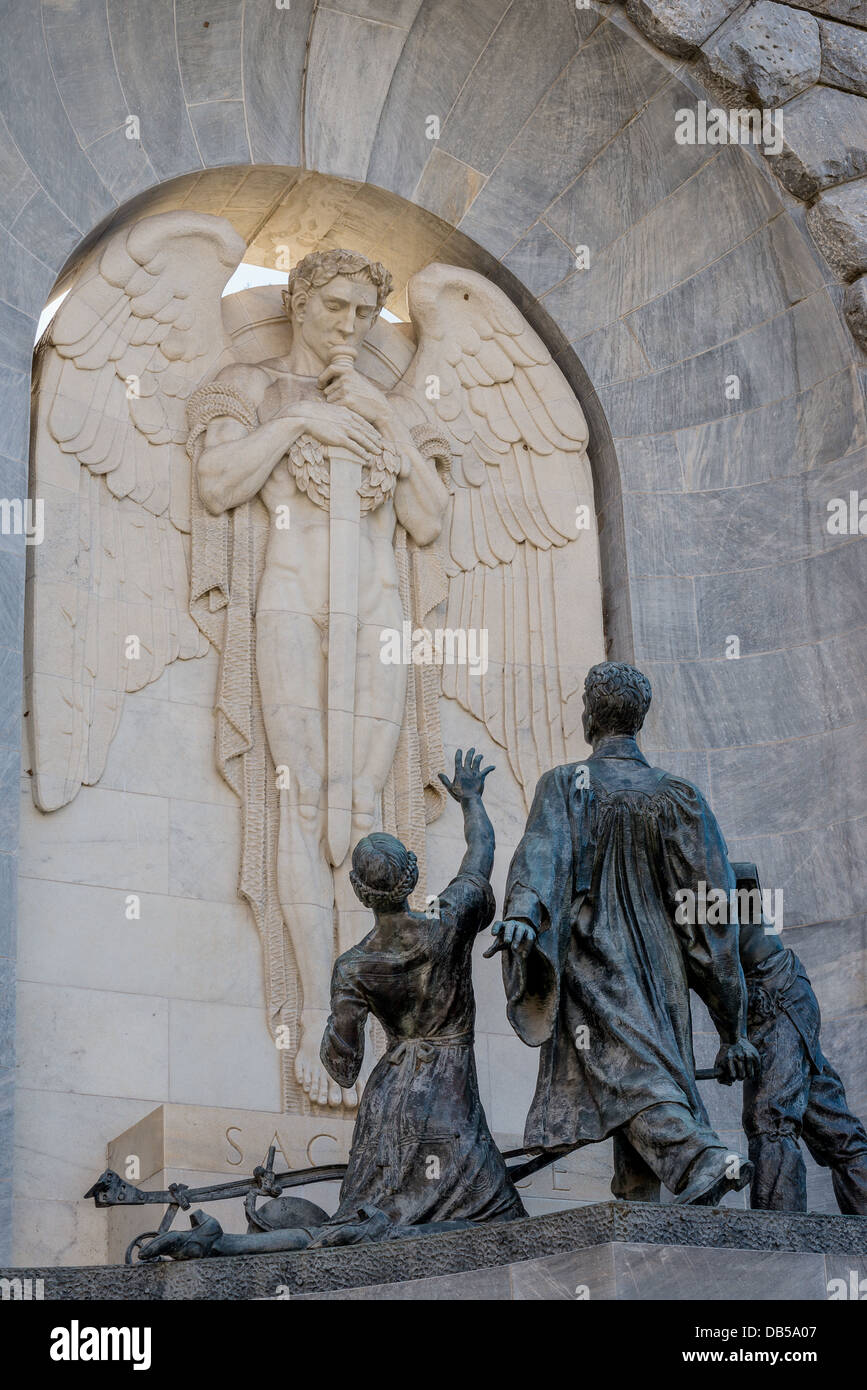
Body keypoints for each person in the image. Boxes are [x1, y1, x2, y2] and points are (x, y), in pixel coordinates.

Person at [139, 750, 523, 1261]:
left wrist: (336, 1022)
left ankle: (224, 1243)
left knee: (356, 1223)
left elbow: (342, 1069)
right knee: (498, 1223)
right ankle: (244, 1242)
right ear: (411, 876)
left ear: (362, 894)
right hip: (446, 1093)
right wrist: (471, 800)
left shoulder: (353, 965)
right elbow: (481, 854)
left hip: (389, 1101)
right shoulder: (447, 920)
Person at [490, 661, 759, 1207]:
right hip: (661, 965)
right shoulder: (680, 797)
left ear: (589, 716)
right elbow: (713, 919)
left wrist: (524, 911)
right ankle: (639, 1199)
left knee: (634, 1073)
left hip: (595, 954)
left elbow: (541, 854)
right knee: (639, 1067)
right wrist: (733, 1028)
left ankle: (698, 1159)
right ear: (639, 720)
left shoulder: (566, 784)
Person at [732, 865, 867, 1214]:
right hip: (782, 994)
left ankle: (779, 1236)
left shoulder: (698, 871)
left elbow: (714, 964)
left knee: (771, 1118)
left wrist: (730, 1039)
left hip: (776, 993)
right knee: (829, 1118)